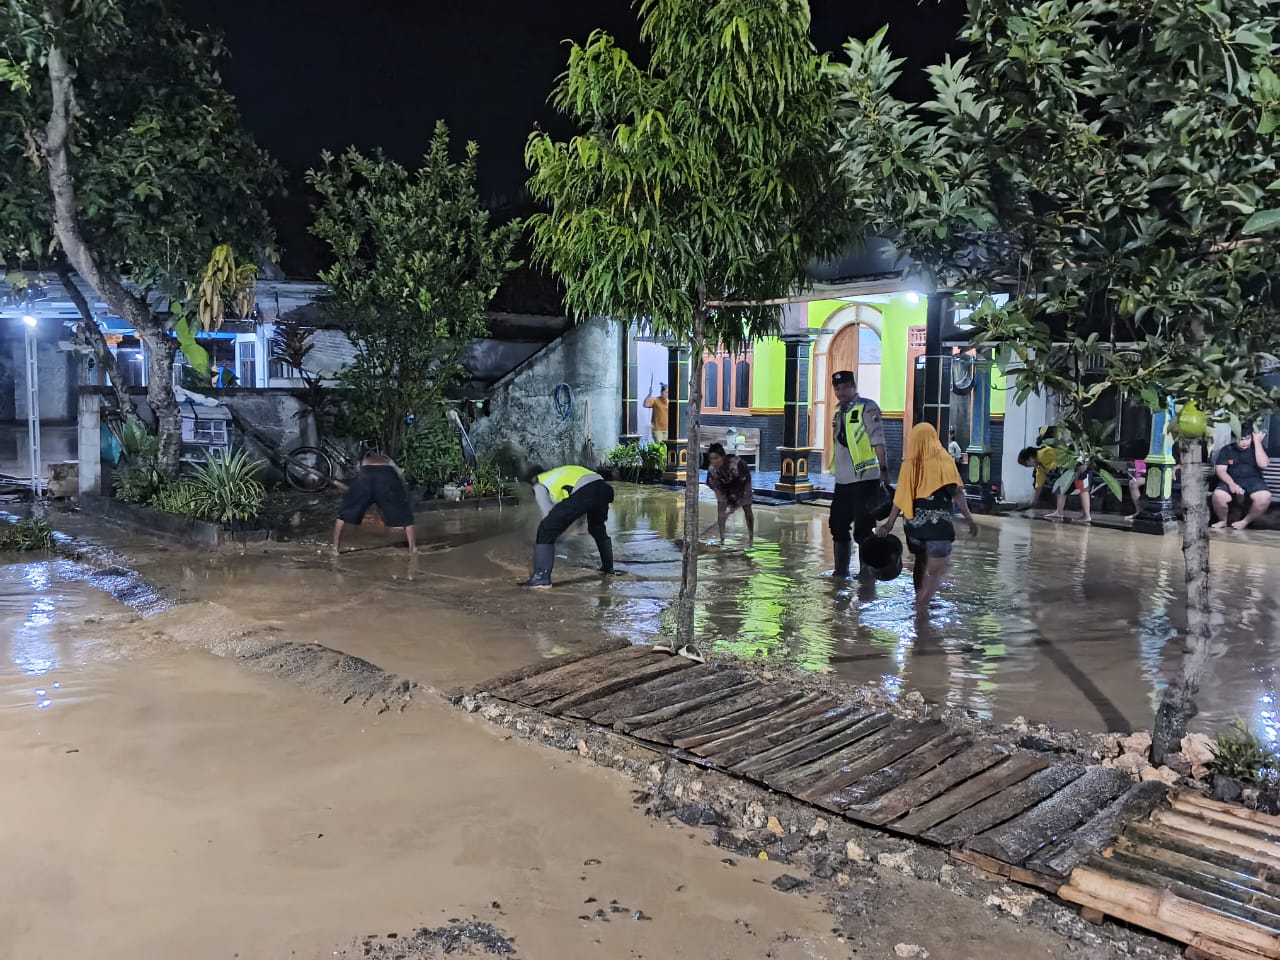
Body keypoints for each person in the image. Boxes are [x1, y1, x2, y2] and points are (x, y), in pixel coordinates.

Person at [876, 423, 978, 615]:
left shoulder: (909, 463)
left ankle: (919, 601)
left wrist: (889, 523)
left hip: (914, 527)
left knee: (920, 562)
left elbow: (901, 496)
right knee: (938, 568)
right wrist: (969, 518)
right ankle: (925, 602)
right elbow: (956, 492)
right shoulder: (945, 460)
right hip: (938, 528)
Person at [828, 370, 889, 579]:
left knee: (863, 529)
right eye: (837, 388)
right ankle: (840, 571)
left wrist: (884, 471)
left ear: (853, 386)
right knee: (837, 525)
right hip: (843, 480)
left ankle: (866, 572)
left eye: (845, 387)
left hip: (866, 478)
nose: (840, 391)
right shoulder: (838, 412)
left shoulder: (867, 407)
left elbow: (878, 440)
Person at [521, 464, 616, 588]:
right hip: (604, 489)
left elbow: (548, 515)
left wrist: (555, 538)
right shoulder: (561, 472)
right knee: (597, 527)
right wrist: (575, 527)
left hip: (587, 491)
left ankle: (541, 579)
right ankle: (608, 568)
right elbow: (579, 505)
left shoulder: (539, 483)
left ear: (532, 479)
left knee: (545, 529)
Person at [332, 452, 417, 554]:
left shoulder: (363, 460)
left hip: (365, 475)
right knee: (405, 515)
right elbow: (400, 480)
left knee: (342, 514)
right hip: (386, 475)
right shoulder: (388, 460)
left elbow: (357, 476)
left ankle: (335, 549)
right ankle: (413, 549)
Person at [1212, 427, 1271, 530]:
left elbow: (1263, 464)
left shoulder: (1257, 448)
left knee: (1265, 497)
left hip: (1253, 481)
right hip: (1232, 479)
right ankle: (1223, 520)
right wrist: (1231, 483)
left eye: (1247, 439)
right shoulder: (1227, 450)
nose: (1244, 442)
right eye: (1241, 439)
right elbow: (1220, 470)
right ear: (1235, 439)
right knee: (1218, 495)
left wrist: (1257, 442)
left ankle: (1244, 522)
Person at [1016, 442, 1092, 523]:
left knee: (1082, 489)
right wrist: (1034, 501)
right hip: (1067, 471)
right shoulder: (1039, 466)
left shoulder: (1046, 452)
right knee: (1060, 488)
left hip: (1078, 465)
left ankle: (1086, 515)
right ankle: (1059, 512)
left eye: (1026, 464)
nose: (1027, 466)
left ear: (1030, 458)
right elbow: (1039, 483)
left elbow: (1062, 455)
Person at [706, 441, 754, 545]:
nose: (714, 461)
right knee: (721, 510)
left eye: (716, 458)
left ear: (722, 457)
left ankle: (751, 536)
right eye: (711, 459)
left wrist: (734, 504)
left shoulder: (735, 465)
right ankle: (722, 538)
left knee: (747, 507)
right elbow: (714, 486)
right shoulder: (712, 469)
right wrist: (724, 504)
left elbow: (741, 484)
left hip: (742, 482)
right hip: (723, 486)